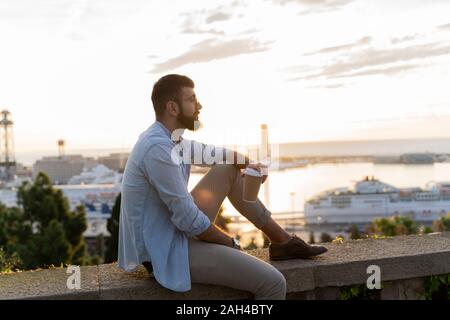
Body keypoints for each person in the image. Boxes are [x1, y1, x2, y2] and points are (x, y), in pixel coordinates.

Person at [118, 74, 327, 300]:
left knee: (228, 167)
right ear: (172, 107)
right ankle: (278, 246)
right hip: (167, 252)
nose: (199, 106)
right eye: (191, 100)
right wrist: (231, 244)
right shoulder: (157, 149)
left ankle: (282, 241)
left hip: (172, 232)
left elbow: (214, 154)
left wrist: (249, 164)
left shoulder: (170, 139)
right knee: (274, 283)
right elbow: (187, 218)